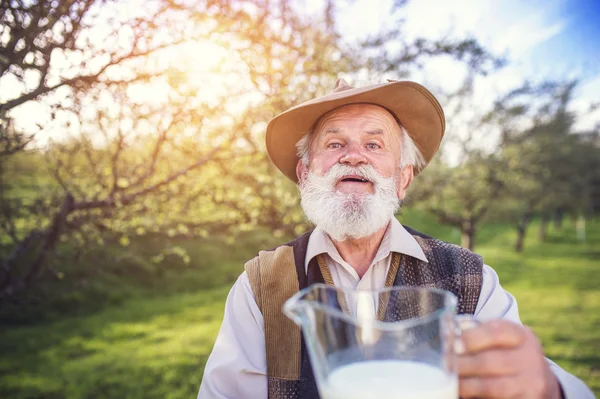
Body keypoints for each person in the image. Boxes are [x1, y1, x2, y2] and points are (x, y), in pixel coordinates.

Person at [197, 79, 594, 399]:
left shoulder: (470, 278)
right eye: (334, 144)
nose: (354, 156)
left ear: (402, 179)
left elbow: (547, 386)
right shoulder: (261, 285)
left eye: (374, 144)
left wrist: (547, 389)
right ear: (305, 173)